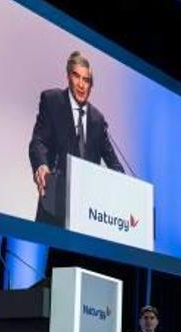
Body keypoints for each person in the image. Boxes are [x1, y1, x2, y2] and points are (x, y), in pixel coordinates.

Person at [28, 51, 125, 226]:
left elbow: (114, 163)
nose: (81, 84)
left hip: (87, 211)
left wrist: (124, 188)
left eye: (86, 80)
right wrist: (41, 165)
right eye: (76, 77)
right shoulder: (52, 101)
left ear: (91, 85)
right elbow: (38, 141)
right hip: (54, 202)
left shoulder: (97, 119)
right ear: (68, 77)